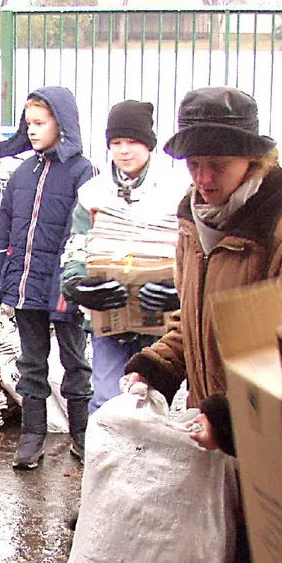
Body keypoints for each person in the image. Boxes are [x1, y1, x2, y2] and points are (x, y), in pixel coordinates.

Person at [121, 86, 282, 563]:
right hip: (225, 440)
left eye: (219, 164)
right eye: (194, 164)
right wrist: (158, 367)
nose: (205, 177)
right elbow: (197, 319)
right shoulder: (196, 219)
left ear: (254, 161)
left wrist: (230, 421)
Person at [0, 86, 97, 469]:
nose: (32, 131)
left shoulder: (84, 172)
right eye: (27, 123)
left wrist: (70, 287)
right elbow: (4, 234)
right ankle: (32, 437)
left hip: (65, 287)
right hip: (26, 287)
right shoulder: (21, 174)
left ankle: (82, 435)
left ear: (61, 123)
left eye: (40, 123)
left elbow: (82, 235)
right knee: (32, 363)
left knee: (75, 362)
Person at [60, 99, 188, 427]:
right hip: (109, 319)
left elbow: (193, 251)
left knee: (154, 405)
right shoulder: (93, 192)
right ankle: (101, 474)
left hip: (161, 320)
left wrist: (177, 291)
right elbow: (76, 246)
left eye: (132, 142)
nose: (123, 150)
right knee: (104, 403)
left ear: (149, 144)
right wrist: (77, 285)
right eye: (116, 143)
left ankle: (150, 477)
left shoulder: (177, 190)